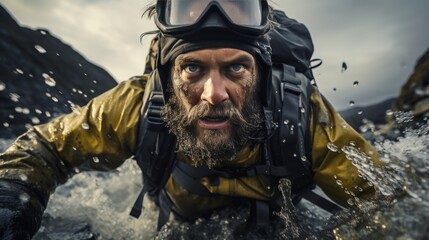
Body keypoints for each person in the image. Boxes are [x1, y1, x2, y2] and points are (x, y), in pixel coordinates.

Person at [0, 0, 381, 238]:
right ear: (167, 76)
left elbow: (389, 202)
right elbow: (44, 148)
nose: (213, 93)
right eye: (193, 68)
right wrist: (14, 203)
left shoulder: (305, 118)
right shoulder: (135, 105)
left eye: (236, 68)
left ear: (262, 75)